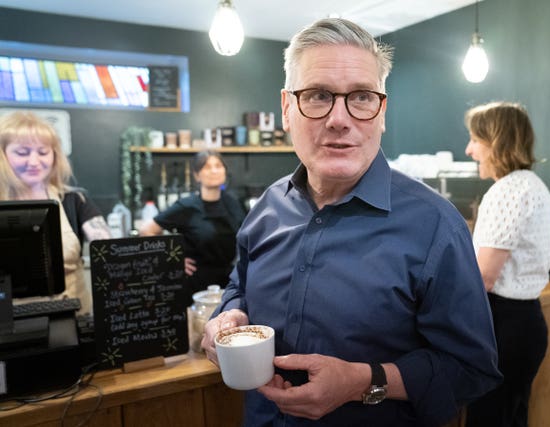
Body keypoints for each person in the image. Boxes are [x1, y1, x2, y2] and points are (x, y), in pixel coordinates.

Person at [200, 18, 501, 427]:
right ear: (287, 109)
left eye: (361, 97)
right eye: (319, 95)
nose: (340, 119)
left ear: (381, 112)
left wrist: (364, 380)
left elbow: (472, 368)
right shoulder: (266, 209)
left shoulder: (435, 226)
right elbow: (240, 284)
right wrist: (230, 314)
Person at [462, 102, 550, 427]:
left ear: (496, 141)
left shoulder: (507, 191)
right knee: (511, 417)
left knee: (489, 419)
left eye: (476, 140)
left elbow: (484, 277)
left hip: (505, 325)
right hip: (526, 321)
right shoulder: (533, 185)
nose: (470, 149)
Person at [0, 111, 111, 315]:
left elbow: (107, 249)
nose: (34, 162)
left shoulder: (75, 200)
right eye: (22, 153)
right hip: (11, 325)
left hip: (74, 318)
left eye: (42, 152)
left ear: (55, 155)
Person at [139, 150, 245, 294]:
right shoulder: (187, 206)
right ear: (197, 175)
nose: (214, 170)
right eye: (207, 167)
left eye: (218, 166)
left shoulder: (233, 202)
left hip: (229, 282)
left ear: (224, 171)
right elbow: (146, 230)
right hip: (197, 285)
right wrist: (173, 259)